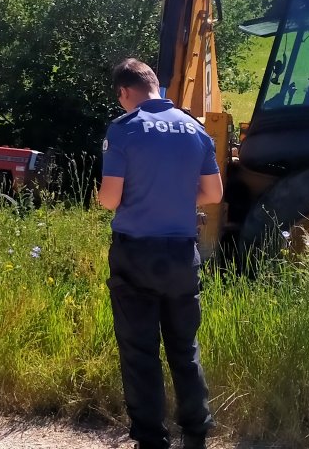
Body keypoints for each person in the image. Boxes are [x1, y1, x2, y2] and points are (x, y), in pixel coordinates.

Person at [97, 58, 224, 449]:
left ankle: (152, 440)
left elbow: (109, 199)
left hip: (136, 254)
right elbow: (214, 194)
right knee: (184, 348)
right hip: (182, 254)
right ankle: (196, 434)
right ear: (154, 84)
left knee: (140, 351)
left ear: (125, 92)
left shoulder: (124, 130)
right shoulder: (195, 128)